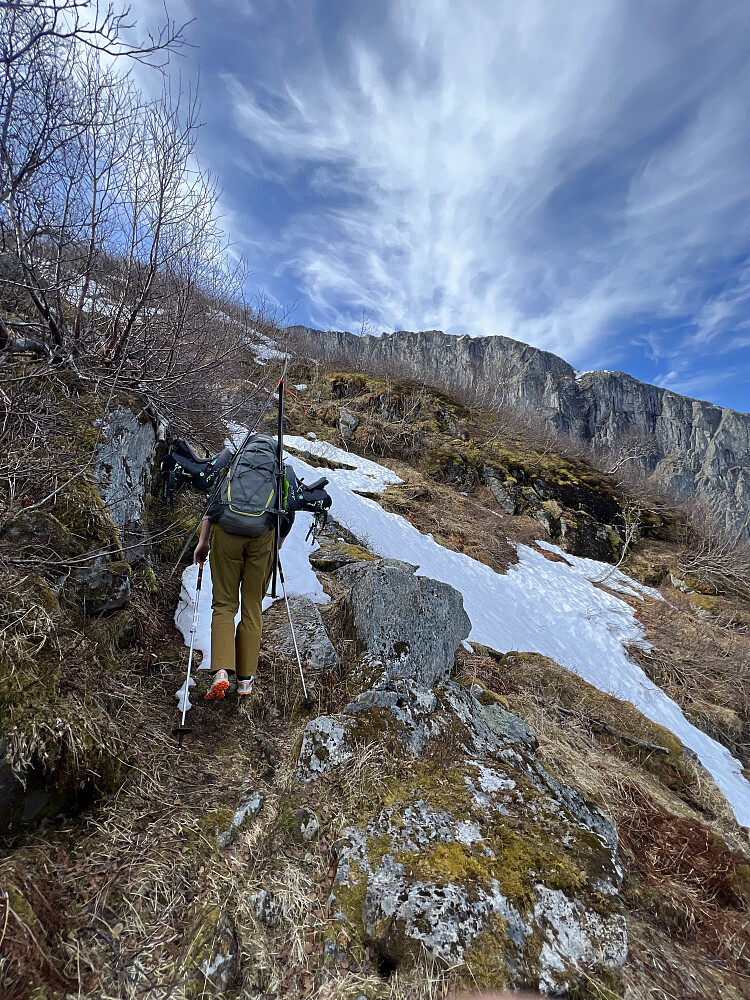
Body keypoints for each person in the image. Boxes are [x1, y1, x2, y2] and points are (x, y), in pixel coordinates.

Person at [193, 489, 294, 700]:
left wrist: (203, 541)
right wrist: (277, 544)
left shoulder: (230, 459)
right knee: (252, 606)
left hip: (226, 535)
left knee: (224, 604)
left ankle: (221, 671)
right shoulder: (279, 466)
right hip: (263, 538)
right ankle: (245, 680)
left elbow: (211, 504)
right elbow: (289, 510)